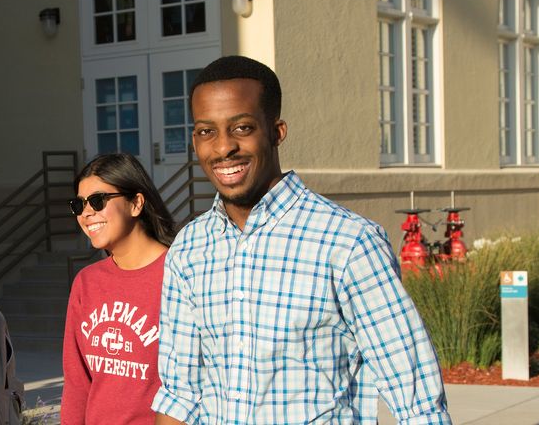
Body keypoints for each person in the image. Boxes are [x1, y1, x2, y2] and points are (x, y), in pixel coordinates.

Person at [152, 56, 451, 424]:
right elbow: (179, 394)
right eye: (205, 131)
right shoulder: (189, 248)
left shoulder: (349, 243)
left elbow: (416, 401)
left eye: (242, 128)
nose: (223, 147)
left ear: (277, 131)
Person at [62, 153, 176, 424]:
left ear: (136, 203)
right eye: (79, 205)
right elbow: (77, 383)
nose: (87, 212)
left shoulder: (178, 274)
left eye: (98, 201)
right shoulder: (87, 282)